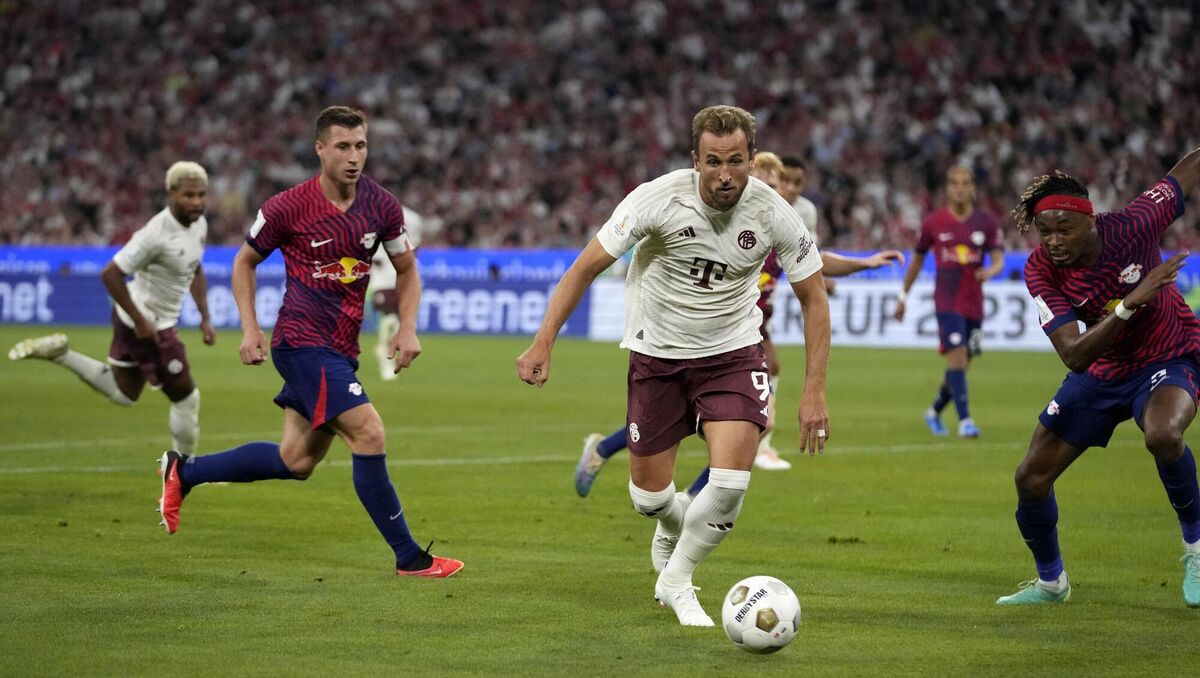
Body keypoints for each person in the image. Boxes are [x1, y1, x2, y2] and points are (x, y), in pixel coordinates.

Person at [518, 105, 831, 627]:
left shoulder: (774, 212)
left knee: (730, 484)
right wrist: (543, 340)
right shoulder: (656, 199)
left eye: (736, 161)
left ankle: (678, 581)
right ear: (696, 160)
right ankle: (669, 526)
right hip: (658, 357)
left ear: (753, 160)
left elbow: (814, 298)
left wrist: (813, 391)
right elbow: (585, 267)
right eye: (714, 162)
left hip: (732, 353)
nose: (725, 174)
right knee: (650, 498)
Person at [156, 106, 462, 578]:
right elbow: (243, 263)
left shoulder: (381, 206)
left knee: (295, 459)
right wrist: (251, 328)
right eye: (343, 146)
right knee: (370, 432)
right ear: (320, 149)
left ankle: (185, 472)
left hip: (340, 350)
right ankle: (410, 557)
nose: (354, 156)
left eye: (360, 145)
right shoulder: (288, 207)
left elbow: (407, 270)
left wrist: (407, 327)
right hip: (300, 342)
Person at [573, 151, 903, 496]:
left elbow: (816, 264)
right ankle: (669, 487)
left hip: (745, 326)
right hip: (704, 327)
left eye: (788, 184)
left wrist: (863, 264)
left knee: (747, 418)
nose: (782, 190)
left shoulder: (780, 223)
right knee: (728, 418)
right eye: (775, 183)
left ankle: (679, 490)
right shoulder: (732, 217)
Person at [996, 146, 1200, 606]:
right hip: (1103, 368)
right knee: (1030, 478)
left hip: (1168, 353)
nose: (1053, 241)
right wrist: (1130, 304)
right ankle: (1052, 584)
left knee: (1163, 434)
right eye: (1044, 231)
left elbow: (1192, 164)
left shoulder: (1136, 222)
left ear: (1091, 220)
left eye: (1064, 229)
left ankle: (1196, 550)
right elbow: (1073, 354)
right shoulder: (1040, 269)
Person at [9, 161, 215, 455]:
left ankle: (61, 354)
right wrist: (141, 320)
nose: (196, 202)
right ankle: (187, 472)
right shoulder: (155, 234)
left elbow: (195, 269)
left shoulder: (199, 224)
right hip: (150, 325)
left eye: (201, 195)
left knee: (125, 393)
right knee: (186, 398)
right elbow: (110, 274)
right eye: (189, 195)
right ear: (171, 193)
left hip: (137, 321)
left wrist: (205, 317)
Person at [894, 165, 1004, 438]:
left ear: (973, 188)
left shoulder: (987, 222)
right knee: (957, 356)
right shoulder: (933, 222)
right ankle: (966, 421)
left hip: (974, 302)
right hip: (946, 299)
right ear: (947, 188)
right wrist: (903, 296)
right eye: (954, 183)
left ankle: (933, 411)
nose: (960, 188)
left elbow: (999, 260)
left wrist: (989, 271)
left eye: (965, 183)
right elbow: (917, 261)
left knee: (963, 361)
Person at [369, 205, 424, 381]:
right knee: (391, 317)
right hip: (388, 278)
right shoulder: (414, 218)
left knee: (395, 317)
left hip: (389, 277)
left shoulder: (375, 213)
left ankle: (384, 347)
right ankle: (384, 350)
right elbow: (415, 248)